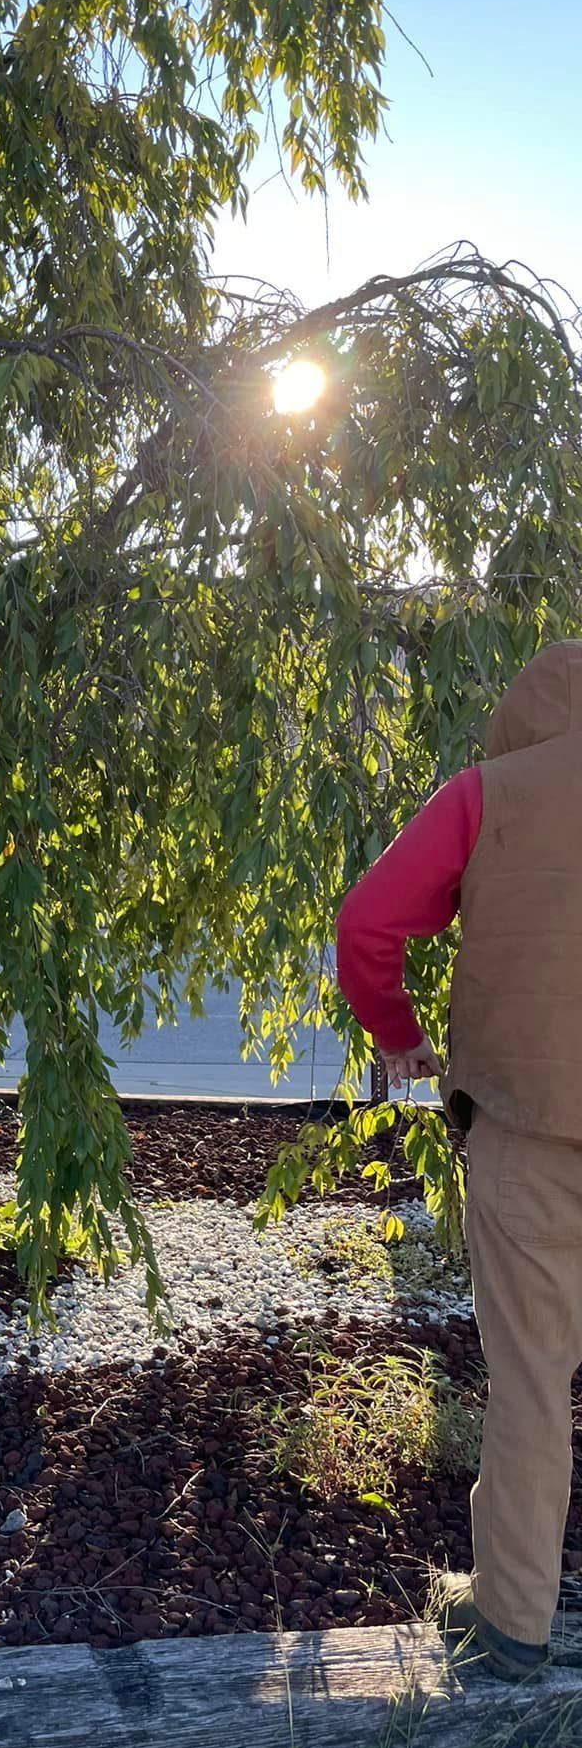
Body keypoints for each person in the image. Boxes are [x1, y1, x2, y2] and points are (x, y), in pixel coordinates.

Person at [335, 640, 582, 1682]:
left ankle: (514, 1623)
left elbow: (365, 923)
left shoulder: (487, 795)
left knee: (532, 1379)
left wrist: (397, 1035)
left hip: (529, 1134)